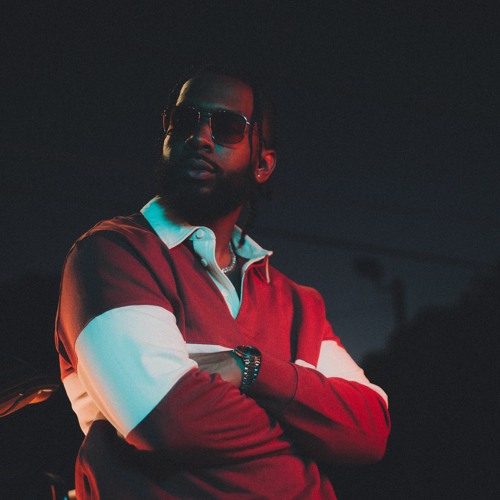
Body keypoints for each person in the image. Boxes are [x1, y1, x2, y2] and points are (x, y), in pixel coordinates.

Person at [55, 64, 390, 499]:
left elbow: (370, 431)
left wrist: (250, 369)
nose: (200, 137)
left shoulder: (300, 303)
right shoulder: (112, 254)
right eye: (185, 120)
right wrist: (305, 438)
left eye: (228, 127)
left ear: (263, 164)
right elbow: (167, 420)